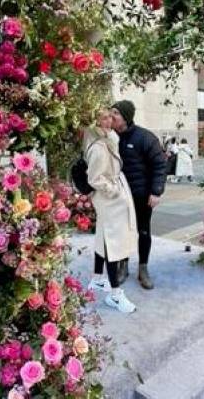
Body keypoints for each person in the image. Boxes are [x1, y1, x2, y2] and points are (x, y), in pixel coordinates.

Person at [84, 108, 138, 313]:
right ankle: (115, 295)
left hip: (113, 195)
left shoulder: (110, 138)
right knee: (112, 242)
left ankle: (97, 279)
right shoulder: (99, 147)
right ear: (95, 122)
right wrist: (114, 191)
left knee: (103, 235)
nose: (109, 120)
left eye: (110, 116)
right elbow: (95, 179)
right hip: (109, 198)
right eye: (103, 117)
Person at [111, 100, 167, 289]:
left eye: (115, 113)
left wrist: (156, 191)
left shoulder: (145, 137)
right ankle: (122, 266)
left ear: (125, 117)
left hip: (141, 196)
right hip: (119, 196)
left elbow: (160, 164)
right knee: (121, 231)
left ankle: (143, 268)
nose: (112, 116)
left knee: (143, 231)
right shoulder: (110, 138)